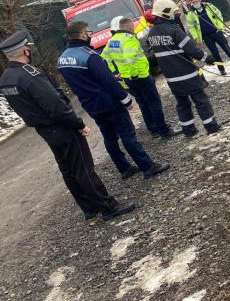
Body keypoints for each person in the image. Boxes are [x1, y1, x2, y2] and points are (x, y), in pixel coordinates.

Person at [0, 31, 136, 221]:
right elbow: (55, 105)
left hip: (45, 129)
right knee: (83, 168)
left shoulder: (6, 78)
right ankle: (108, 207)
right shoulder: (30, 75)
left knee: (68, 169)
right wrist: (78, 124)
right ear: (25, 50)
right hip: (61, 126)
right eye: (28, 47)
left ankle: (88, 208)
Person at [58, 22, 170, 180]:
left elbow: (84, 81)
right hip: (109, 103)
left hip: (91, 105)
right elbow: (107, 81)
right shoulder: (89, 55)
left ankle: (124, 168)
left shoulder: (63, 59)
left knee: (109, 137)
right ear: (83, 34)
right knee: (128, 135)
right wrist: (125, 99)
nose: (89, 35)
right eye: (88, 32)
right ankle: (147, 166)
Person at [148, 0, 221, 137]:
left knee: (182, 103)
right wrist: (208, 58)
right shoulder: (174, 30)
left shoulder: (152, 33)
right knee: (201, 100)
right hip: (187, 74)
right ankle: (211, 126)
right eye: (174, 12)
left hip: (171, 78)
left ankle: (188, 130)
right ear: (166, 13)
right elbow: (192, 50)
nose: (177, 14)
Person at [102, 16, 177, 139]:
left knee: (143, 104)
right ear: (128, 26)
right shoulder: (129, 39)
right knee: (154, 103)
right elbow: (129, 59)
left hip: (127, 79)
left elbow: (105, 59)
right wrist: (135, 74)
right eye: (133, 26)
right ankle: (163, 130)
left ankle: (153, 130)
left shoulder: (112, 40)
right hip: (140, 77)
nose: (134, 28)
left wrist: (115, 72)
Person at [186, 0, 230, 76]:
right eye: (193, 2)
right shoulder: (191, 14)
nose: (195, 3)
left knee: (227, 49)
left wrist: (219, 27)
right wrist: (196, 37)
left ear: (200, 0)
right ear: (191, 3)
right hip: (206, 36)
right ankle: (222, 69)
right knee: (215, 54)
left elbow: (218, 15)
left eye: (196, 1)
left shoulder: (209, 6)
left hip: (217, 32)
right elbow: (191, 27)